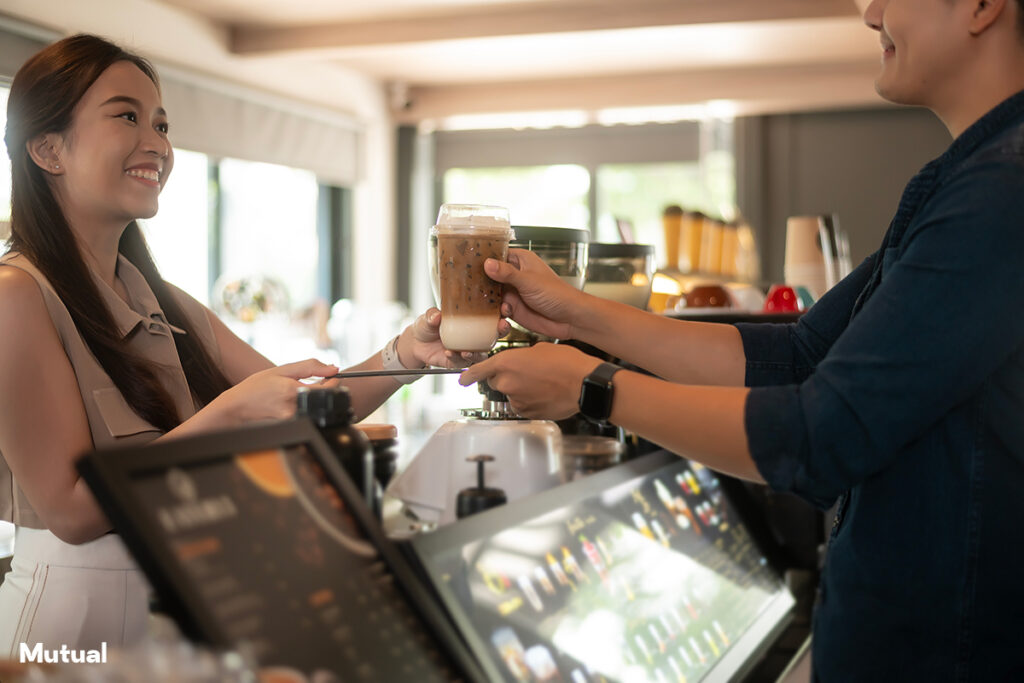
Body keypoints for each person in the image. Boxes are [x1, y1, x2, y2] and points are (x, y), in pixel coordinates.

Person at [461, 0, 1024, 679]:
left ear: (983, 6)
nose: (871, 12)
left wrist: (591, 388)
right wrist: (578, 315)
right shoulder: (965, 182)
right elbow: (798, 356)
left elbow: (819, 436)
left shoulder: (1000, 192)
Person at [0, 34, 481, 656]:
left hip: (174, 609)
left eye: (161, 124)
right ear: (47, 149)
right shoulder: (16, 295)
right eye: (126, 117)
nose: (158, 144)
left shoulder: (160, 297)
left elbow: (305, 404)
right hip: (71, 621)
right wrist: (228, 416)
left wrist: (407, 355)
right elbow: (69, 512)